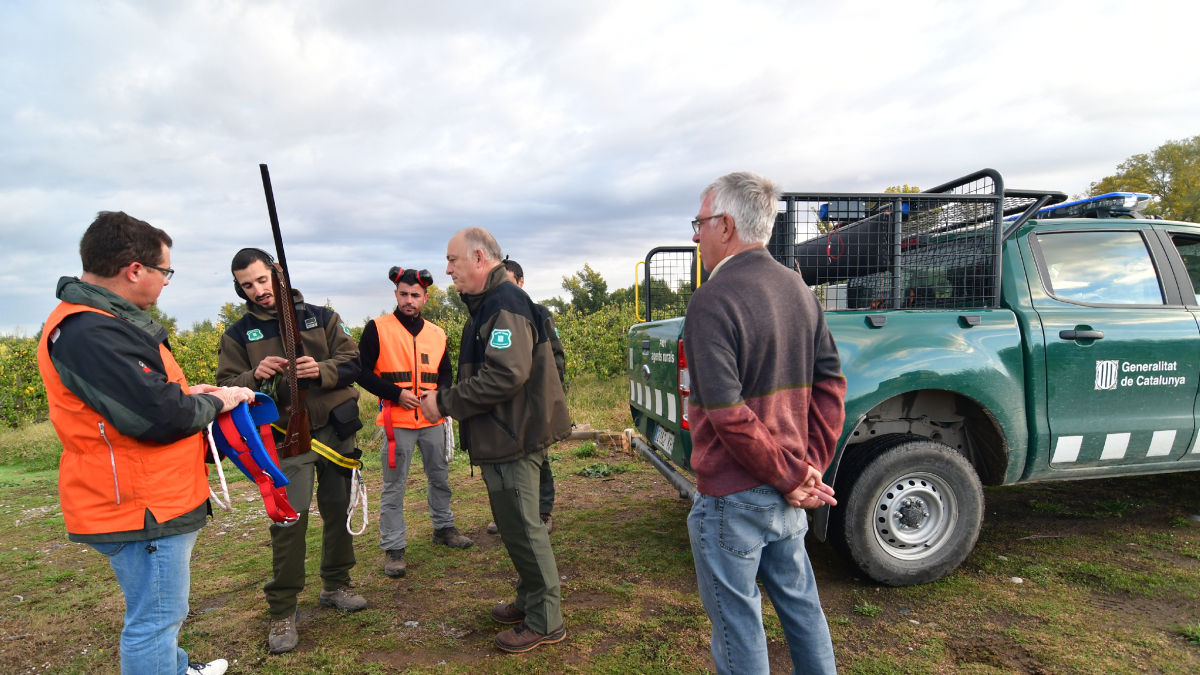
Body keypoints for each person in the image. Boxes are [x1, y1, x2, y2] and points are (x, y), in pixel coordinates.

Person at [36, 212, 252, 675]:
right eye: (164, 272)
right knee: (155, 619)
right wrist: (221, 403)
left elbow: (147, 397)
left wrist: (196, 394)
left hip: (154, 494)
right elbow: (161, 416)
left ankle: (175, 668)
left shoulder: (103, 325)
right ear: (134, 269)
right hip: (140, 504)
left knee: (162, 614)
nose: (166, 283)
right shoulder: (89, 332)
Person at [684, 172, 847, 675]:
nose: (695, 235)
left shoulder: (712, 300)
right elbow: (831, 384)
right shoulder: (798, 288)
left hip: (734, 496)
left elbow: (728, 416)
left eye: (700, 223)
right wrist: (805, 468)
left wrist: (795, 475)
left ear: (726, 226)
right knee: (801, 608)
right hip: (787, 487)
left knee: (737, 624)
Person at [419, 228, 572, 653]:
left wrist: (445, 402)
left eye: (453, 260)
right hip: (510, 432)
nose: (447, 270)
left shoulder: (503, 303)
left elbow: (506, 374)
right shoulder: (492, 303)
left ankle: (546, 620)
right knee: (515, 526)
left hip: (513, 436)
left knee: (524, 528)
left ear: (480, 258)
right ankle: (530, 600)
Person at [216, 248, 366, 655]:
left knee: (339, 511)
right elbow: (225, 387)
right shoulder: (236, 334)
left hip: (336, 433)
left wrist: (322, 369)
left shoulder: (321, 316)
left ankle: (336, 585)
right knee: (289, 521)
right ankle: (283, 609)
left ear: (277, 276)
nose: (258, 291)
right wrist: (254, 375)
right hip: (286, 438)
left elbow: (355, 361)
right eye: (247, 285)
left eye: (263, 281)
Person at [356, 267, 473, 579]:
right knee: (395, 486)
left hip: (433, 419)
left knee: (441, 477)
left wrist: (441, 397)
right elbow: (362, 372)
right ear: (396, 294)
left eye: (415, 295)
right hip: (398, 423)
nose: (409, 300)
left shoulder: (437, 333)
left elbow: (446, 373)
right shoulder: (377, 329)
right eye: (404, 294)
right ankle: (394, 548)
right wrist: (396, 394)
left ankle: (444, 528)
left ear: (425, 298)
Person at [484, 258, 564, 536]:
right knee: (507, 461)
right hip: (506, 407)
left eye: (507, 282)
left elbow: (556, 359)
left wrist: (547, 398)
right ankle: (508, 514)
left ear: (520, 282)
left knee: (537, 458)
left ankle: (542, 512)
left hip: (534, 403)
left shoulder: (538, 313)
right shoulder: (490, 312)